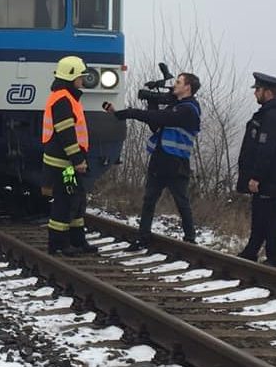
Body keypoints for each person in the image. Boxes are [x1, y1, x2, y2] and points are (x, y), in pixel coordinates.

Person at [104, 72, 202, 249]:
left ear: (188, 87)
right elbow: (155, 124)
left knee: (182, 202)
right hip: (160, 159)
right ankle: (143, 237)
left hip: (177, 163)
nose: (174, 85)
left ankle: (190, 240)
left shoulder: (189, 109)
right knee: (149, 200)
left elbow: (159, 118)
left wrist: (130, 112)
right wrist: (152, 101)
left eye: (178, 82)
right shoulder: (176, 106)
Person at [236, 72, 276, 269]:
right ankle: (251, 251)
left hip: (270, 179)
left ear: (268, 92)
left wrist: (256, 177)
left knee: (270, 217)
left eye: (257, 90)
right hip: (270, 179)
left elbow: (265, 149)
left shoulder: (272, 117)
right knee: (260, 214)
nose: (255, 93)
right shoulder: (271, 114)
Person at [42, 56, 97, 256]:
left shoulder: (66, 97)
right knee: (65, 201)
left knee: (76, 198)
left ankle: (77, 240)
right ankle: (57, 243)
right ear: (71, 76)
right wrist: (77, 160)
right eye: (80, 77)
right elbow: (66, 133)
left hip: (66, 161)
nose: (82, 80)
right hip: (64, 163)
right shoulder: (63, 100)